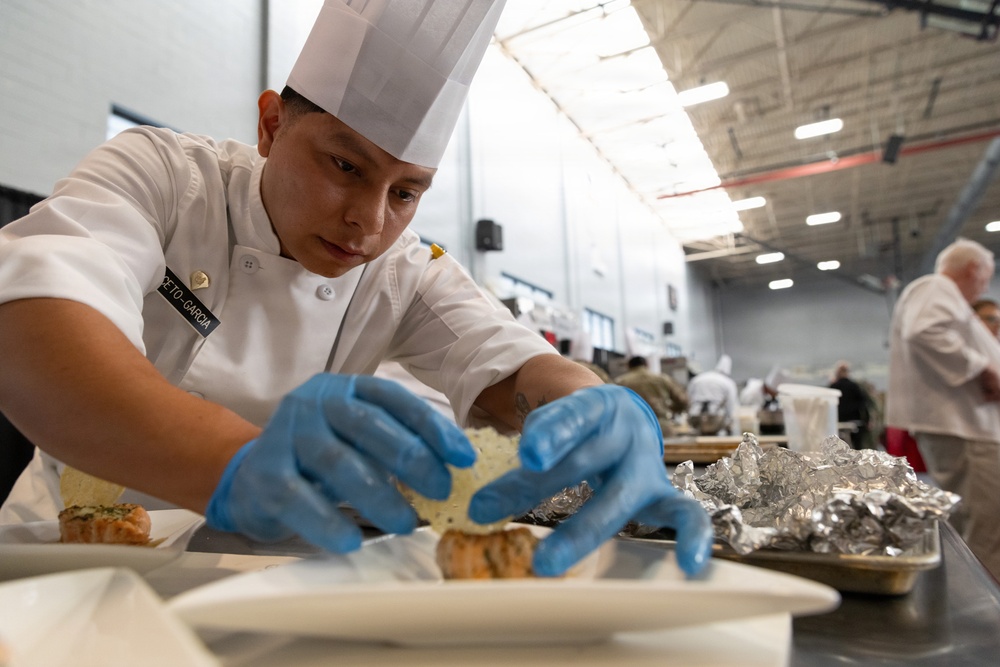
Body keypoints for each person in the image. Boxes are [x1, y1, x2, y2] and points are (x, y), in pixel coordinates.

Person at [0, 0, 712, 578]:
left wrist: (606, 409)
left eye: (405, 191)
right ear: (272, 126)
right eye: (345, 165)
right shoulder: (163, 177)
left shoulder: (403, 268)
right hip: (68, 565)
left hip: (269, 579)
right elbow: (28, 329)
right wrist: (235, 460)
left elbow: (515, 366)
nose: (369, 223)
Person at [887, 237, 1000, 580]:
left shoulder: (944, 296)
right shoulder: (936, 287)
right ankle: (985, 615)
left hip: (967, 428)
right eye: (985, 279)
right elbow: (925, 330)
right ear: (973, 269)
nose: (983, 288)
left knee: (981, 523)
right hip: (965, 429)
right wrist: (982, 369)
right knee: (985, 525)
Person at [614, 356, 688, 437]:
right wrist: (671, 409)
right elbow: (683, 401)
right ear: (647, 365)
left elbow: (614, 407)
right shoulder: (662, 379)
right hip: (661, 427)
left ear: (629, 366)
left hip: (634, 430)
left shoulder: (620, 382)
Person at [686, 355, 740, 436]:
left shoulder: (698, 378)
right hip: (715, 419)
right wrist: (729, 422)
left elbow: (688, 397)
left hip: (695, 416)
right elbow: (730, 405)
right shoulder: (729, 382)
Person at [828, 361, 873, 450]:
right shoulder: (855, 386)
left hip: (838, 421)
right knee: (857, 448)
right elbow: (864, 404)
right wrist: (867, 420)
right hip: (855, 421)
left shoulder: (833, 387)